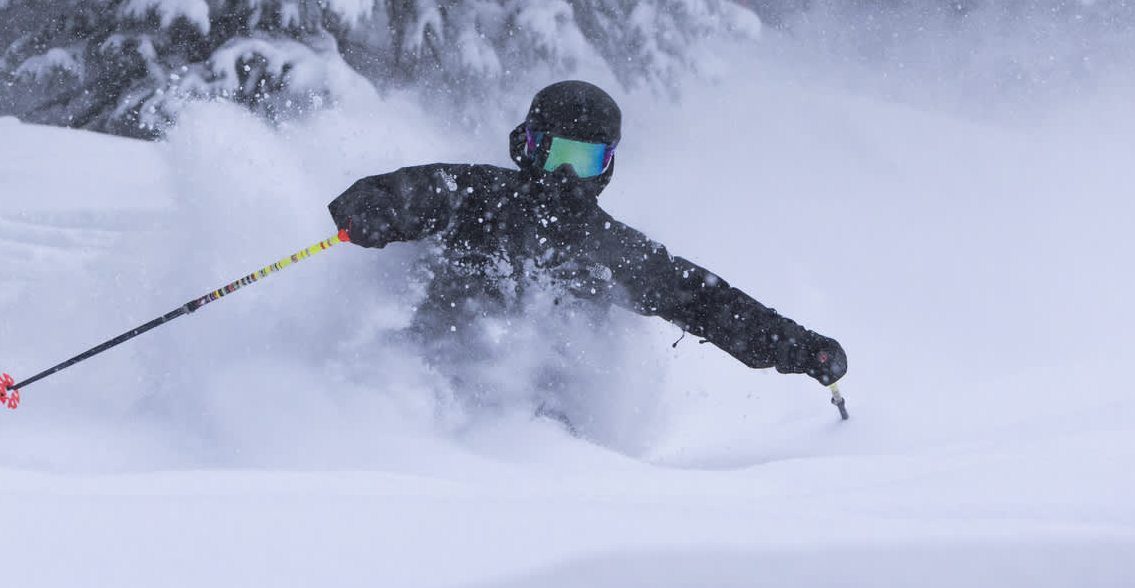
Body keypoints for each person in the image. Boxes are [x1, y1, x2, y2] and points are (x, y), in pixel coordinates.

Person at [327, 80, 846, 392]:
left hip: (541, 425)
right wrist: (373, 209)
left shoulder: (611, 249)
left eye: (587, 160)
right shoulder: (475, 193)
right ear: (527, 147)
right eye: (558, 156)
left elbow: (707, 303)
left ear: (608, 166)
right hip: (428, 378)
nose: (568, 177)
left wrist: (799, 348)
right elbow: (404, 191)